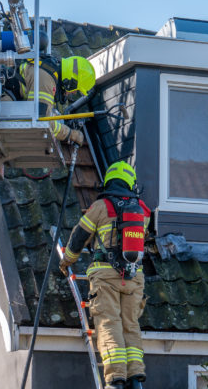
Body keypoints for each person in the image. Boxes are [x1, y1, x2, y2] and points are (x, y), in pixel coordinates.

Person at [59, 161, 151, 389]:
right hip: (134, 277)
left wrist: (66, 261)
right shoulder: (143, 209)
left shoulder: (101, 206)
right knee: (130, 324)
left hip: (105, 275)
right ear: (131, 182)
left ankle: (115, 379)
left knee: (109, 323)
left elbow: (79, 238)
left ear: (109, 181)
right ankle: (136, 378)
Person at [9, 55, 94, 145]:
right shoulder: (47, 80)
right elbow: (42, 120)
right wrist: (70, 134)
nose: (74, 93)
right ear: (71, 81)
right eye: (76, 89)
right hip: (4, 103)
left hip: (10, 101)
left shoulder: (49, 71)